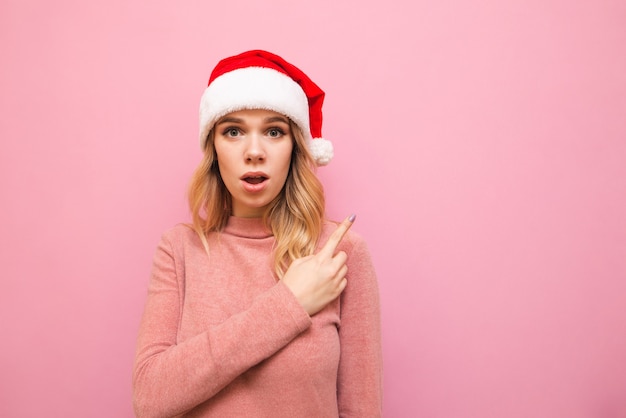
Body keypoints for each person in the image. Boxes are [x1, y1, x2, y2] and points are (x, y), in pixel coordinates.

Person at [132, 50, 382, 417]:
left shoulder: (340, 253)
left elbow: (361, 409)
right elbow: (150, 399)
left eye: (274, 132)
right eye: (233, 131)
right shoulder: (179, 250)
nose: (254, 152)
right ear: (213, 148)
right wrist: (289, 303)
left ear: (295, 146)